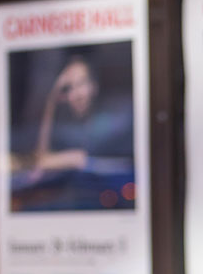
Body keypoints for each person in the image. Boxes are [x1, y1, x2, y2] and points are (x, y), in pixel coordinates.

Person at [11, 53, 135, 211]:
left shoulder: (111, 122)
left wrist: (63, 159)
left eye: (82, 84)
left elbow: (80, 157)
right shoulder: (65, 132)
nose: (76, 94)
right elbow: (39, 164)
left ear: (94, 86)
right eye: (69, 88)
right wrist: (52, 99)